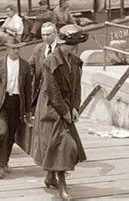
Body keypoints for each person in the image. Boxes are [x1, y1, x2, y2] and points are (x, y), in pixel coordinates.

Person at [32, 24, 88, 200]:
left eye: (76, 45)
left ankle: (50, 177)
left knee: (55, 146)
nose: (75, 48)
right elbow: (52, 91)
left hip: (66, 107)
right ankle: (62, 185)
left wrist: (75, 107)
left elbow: (77, 87)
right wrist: (64, 112)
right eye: (72, 44)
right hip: (51, 109)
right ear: (62, 43)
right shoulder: (50, 62)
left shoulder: (75, 61)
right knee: (63, 146)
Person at [0, 38, 31, 179]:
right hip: (2, 103)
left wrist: (28, 110)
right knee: (3, 132)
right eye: (13, 48)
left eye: (18, 48)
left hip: (17, 103)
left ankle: (5, 162)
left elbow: (28, 89)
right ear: (7, 49)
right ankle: (0, 164)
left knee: (11, 135)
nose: (16, 51)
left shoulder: (25, 65)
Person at [28, 22, 58, 111]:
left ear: (55, 34)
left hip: (56, 92)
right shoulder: (38, 49)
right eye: (43, 35)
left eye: (48, 34)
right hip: (40, 91)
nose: (45, 37)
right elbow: (30, 66)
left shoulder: (61, 49)